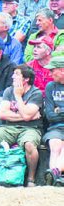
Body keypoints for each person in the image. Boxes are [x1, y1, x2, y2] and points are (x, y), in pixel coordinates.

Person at [0, 64, 44, 187]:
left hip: (31, 128)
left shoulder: (36, 93)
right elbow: (2, 114)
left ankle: (30, 178)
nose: (12, 76)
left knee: (29, 144)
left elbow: (27, 117)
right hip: (8, 127)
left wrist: (18, 96)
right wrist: (26, 115)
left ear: (26, 79)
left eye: (16, 74)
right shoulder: (8, 90)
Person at [42, 55, 64, 186]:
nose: (50, 74)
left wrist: (59, 110)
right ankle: (56, 175)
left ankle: (54, 174)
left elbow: (55, 112)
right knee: (55, 144)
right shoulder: (50, 86)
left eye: (52, 70)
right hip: (55, 127)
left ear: (62, 70)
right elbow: (50, 115)